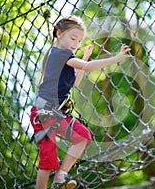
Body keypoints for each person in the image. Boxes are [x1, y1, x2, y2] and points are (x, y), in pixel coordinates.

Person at [30, 15, 131, 189]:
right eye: (73, 38)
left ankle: (61, 176)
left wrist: (83, 59)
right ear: (59, 34)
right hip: (44, 114)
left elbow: (75, 82)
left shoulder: (66, 58)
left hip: (58, 114)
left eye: (80, 41)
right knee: (48, 160)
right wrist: (115, 58)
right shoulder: (59, 53)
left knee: (83, 136)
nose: (76, 44)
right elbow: (87, 67)